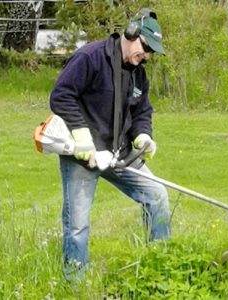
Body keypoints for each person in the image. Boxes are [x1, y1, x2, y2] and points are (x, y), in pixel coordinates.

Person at [49, 9, 171, 279]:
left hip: (120, 156)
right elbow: (61, 96)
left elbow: (142, 111)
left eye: (152, 53)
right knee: (77, 224)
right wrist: (82, 137)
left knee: (157, 196)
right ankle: (76, 284)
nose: (147, 56)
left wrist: (143, 135)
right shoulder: (90, 58)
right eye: (145, 48)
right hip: (83, 157)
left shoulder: (138, 73)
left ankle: (161, 269)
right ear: (130, 33)